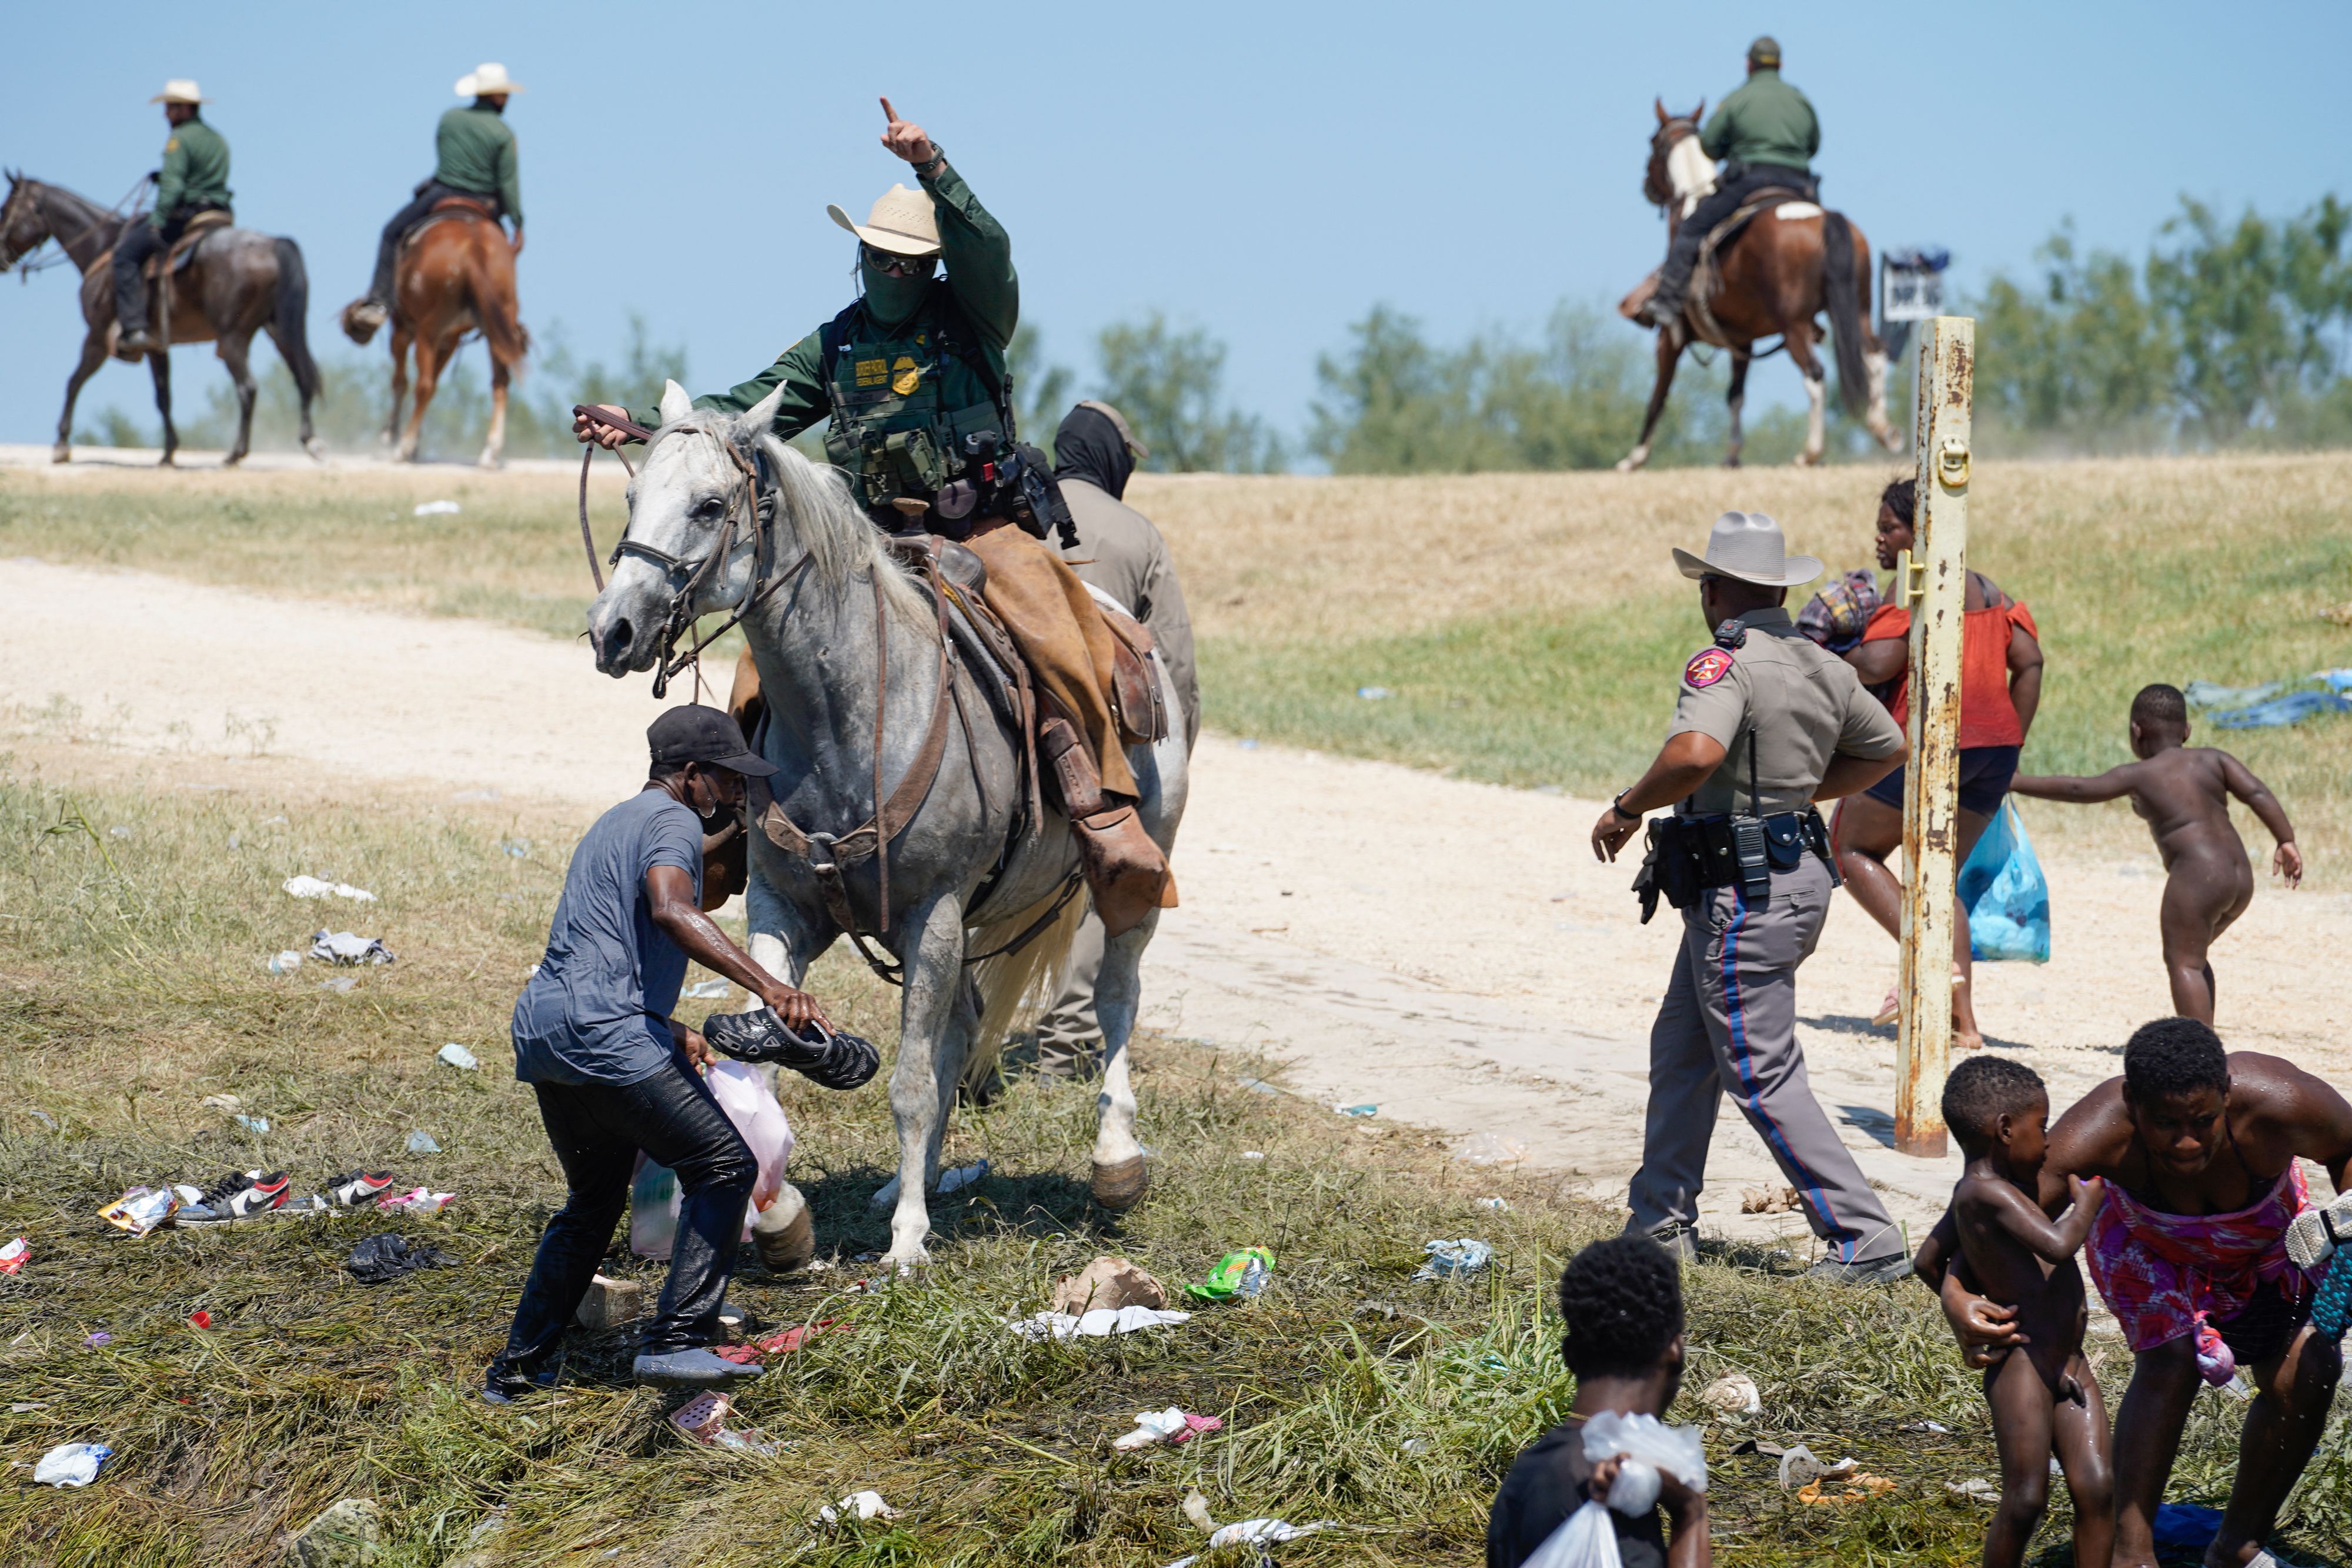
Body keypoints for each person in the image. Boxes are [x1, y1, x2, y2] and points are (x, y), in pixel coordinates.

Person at [576, 99, 1172, 932]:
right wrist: (642, 423)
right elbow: (742, 409)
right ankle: (739, 831)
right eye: (881, 258)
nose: (894, 273)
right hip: (868, 546)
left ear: (930, 265)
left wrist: (934, 165)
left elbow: (991, 253)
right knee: (759, 667)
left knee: (1056, 629)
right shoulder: (835, 345)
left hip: (981, 530)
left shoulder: (973, 323)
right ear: (860, 254)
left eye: (909, 262)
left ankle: (1100, 803)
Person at [1592, 510, 1910, 1280]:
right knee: (1682, 1051)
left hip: (1745, 892)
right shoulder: (1821, 662)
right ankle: (1658, 1223)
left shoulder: (1722, 663)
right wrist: (1799, 793)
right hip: (1780, 876)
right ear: (1778, 585)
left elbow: (1696, 750)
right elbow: (1887, 746)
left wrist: (1630, 807)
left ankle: (1865, 1238)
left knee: (1759, 1071)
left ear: (1717, 590)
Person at [1916, 1019, 2352, 1568]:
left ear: (2227, 1095)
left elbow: (2349, 1149)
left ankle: (2238, 1545)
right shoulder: (2093, 1134)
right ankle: (2130, 1550)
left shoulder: (2282, 1101)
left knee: (2310, 1370)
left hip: (2265, 1240)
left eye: (2204, 1120)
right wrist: (1955, 1293)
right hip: (2149, 1246)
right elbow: (1985, 1222)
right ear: (2132, 1104)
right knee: (2171, 1361)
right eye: (2166, 1123)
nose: (2188, 1141)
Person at [486, 704, 829, 1401]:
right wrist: (771, 987)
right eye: (730, 780)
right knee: (722, 1164)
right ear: (693, 775)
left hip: (549, 1032)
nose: (737, 794)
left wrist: (666, 1026)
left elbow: (599, 946)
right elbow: (672, 909)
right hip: (604, 1035)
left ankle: (519, 1370)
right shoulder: (673, 821)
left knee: (593, 1201)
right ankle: (676, 1340)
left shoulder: (613, 823)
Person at [1833, 476, 2044, 1049]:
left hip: (1929, 741)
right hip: (1992, 754)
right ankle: (1963, 1024)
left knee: (1848, 847)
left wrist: (1823, 652)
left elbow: (1879, 663)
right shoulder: (1989, 590)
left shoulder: (1913, 582)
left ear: (1921, 530)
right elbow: (2030, 661)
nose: (1879, 540)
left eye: (1889, 528)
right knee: (1937, 877)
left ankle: (1925, 961)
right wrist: (2012, 738)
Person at [1031, 398, 1199, 1081]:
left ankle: (973, 1047)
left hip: (1016, 730)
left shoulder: (1016, 516)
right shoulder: (1137, 534)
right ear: (1113, 460)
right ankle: (1066, 1048)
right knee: (1112, 872)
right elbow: (1175, 665)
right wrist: (1178, 754)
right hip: (1111, 743)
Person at [2012, 683, 2300, 1025]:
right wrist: (2285, 840)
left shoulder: (2140, 775)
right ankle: (2205, 1039)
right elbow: (2256, 792)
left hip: (2199, 876)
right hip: (2239, 877)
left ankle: (2201, 1055)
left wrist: (2013, 781)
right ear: (2187, 730)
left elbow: (2079, 788)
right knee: (2194, 955)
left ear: (2137, 731)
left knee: (2183, 962)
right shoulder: (2214, 759)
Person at [1928, 1055, 2113, 1568]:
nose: (2051, 1141)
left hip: (2069, 1360)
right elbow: (2057, 1245)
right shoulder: (1984, 1192)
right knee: (2026, 1497)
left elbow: (1928, 1259)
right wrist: (2087, 1205)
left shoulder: (1999, 1191)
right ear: (2006, 1129)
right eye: (2043, 1126)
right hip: (2023, 1365)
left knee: (2098, 1486)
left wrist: (1959, 1291)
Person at [1487, 1236, 1709, 1568]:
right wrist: (1691, 1511)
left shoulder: (1525, 1472)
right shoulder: (1618, 1482)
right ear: (1674, 1351)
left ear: (1570, 1356)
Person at [1637, 36, 1820, 329]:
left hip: (1751, 180)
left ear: (1749, 65)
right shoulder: (1801, 100)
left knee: (1692, 228)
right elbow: (1813, 145)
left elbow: (1708, 146)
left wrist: (1728, 149)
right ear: (1781, 65)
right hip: (1801, 186)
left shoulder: (1737, 99)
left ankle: (1666, 303)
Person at [345, 62, 524, 339]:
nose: (507, 99)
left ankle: (378, 303)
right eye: (505, 93)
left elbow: (444, 157)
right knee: (501, 256)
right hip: (486, 203)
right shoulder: (503, 133)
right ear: (496, 96)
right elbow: (508, 184)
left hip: (442, 193)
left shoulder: (449, 119)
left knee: (391, 233)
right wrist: (517, 222)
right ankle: (510, 320)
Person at [112, 80, 232, 360]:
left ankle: (134, 329)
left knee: (125, 256)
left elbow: (174, 187)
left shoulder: (179, 139)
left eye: (171, 107)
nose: (166, 114)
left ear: (186, 109)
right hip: (220, 212)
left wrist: (158, 218)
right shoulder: (217, 138)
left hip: (187, 215)